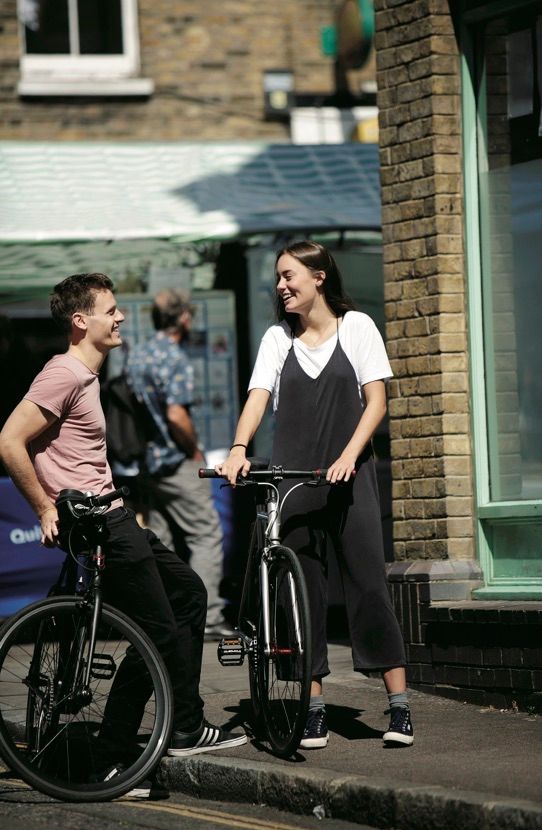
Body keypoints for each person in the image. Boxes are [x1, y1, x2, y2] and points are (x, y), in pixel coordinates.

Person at [0, 273, 246, 799]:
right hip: (96, 522)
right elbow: (9, 440)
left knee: (189, 594)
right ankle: (113, 757)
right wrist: (44, 508)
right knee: (156, 631)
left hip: (114, 513)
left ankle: (183, 725)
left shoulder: (86, 375)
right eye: (110, 309)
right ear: (80, 321)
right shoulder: (63, 373)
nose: (120, 317)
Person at [217, 241, 413, 750]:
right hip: (293, 483)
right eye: (279, 278)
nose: (281, 286)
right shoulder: (277, 340)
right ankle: (315, 709)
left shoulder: (358, 327)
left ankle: (399, 706)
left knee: (369, 586)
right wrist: (239, 448)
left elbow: (376, 401)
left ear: (318, 277)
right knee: (299, 599)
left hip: (351, 479)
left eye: (289, 276)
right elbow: (257, 400)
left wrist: (350, 454)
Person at [125, 288, 233, 641]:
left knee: (162, 540)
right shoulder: (174, 358)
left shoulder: (138, 356)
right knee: (206, 534)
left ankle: (162, 615)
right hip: (175, 461)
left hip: (148, 463)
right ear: (183, 318)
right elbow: (176, 415)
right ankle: (210, 616)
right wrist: (194, 450)